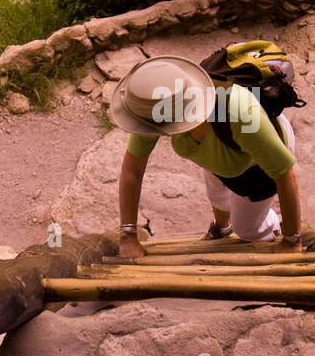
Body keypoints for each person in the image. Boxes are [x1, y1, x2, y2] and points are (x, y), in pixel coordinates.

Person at [108, 55, 302, 260]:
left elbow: (285, 174)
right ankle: (222, 228)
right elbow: (132, 171)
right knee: (218, 195)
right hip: (223, 150)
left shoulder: (241, 115)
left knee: (247, 230)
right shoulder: (155, 102)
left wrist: (292, 240)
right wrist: (128, 235)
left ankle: (271, 223)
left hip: (259, 155)